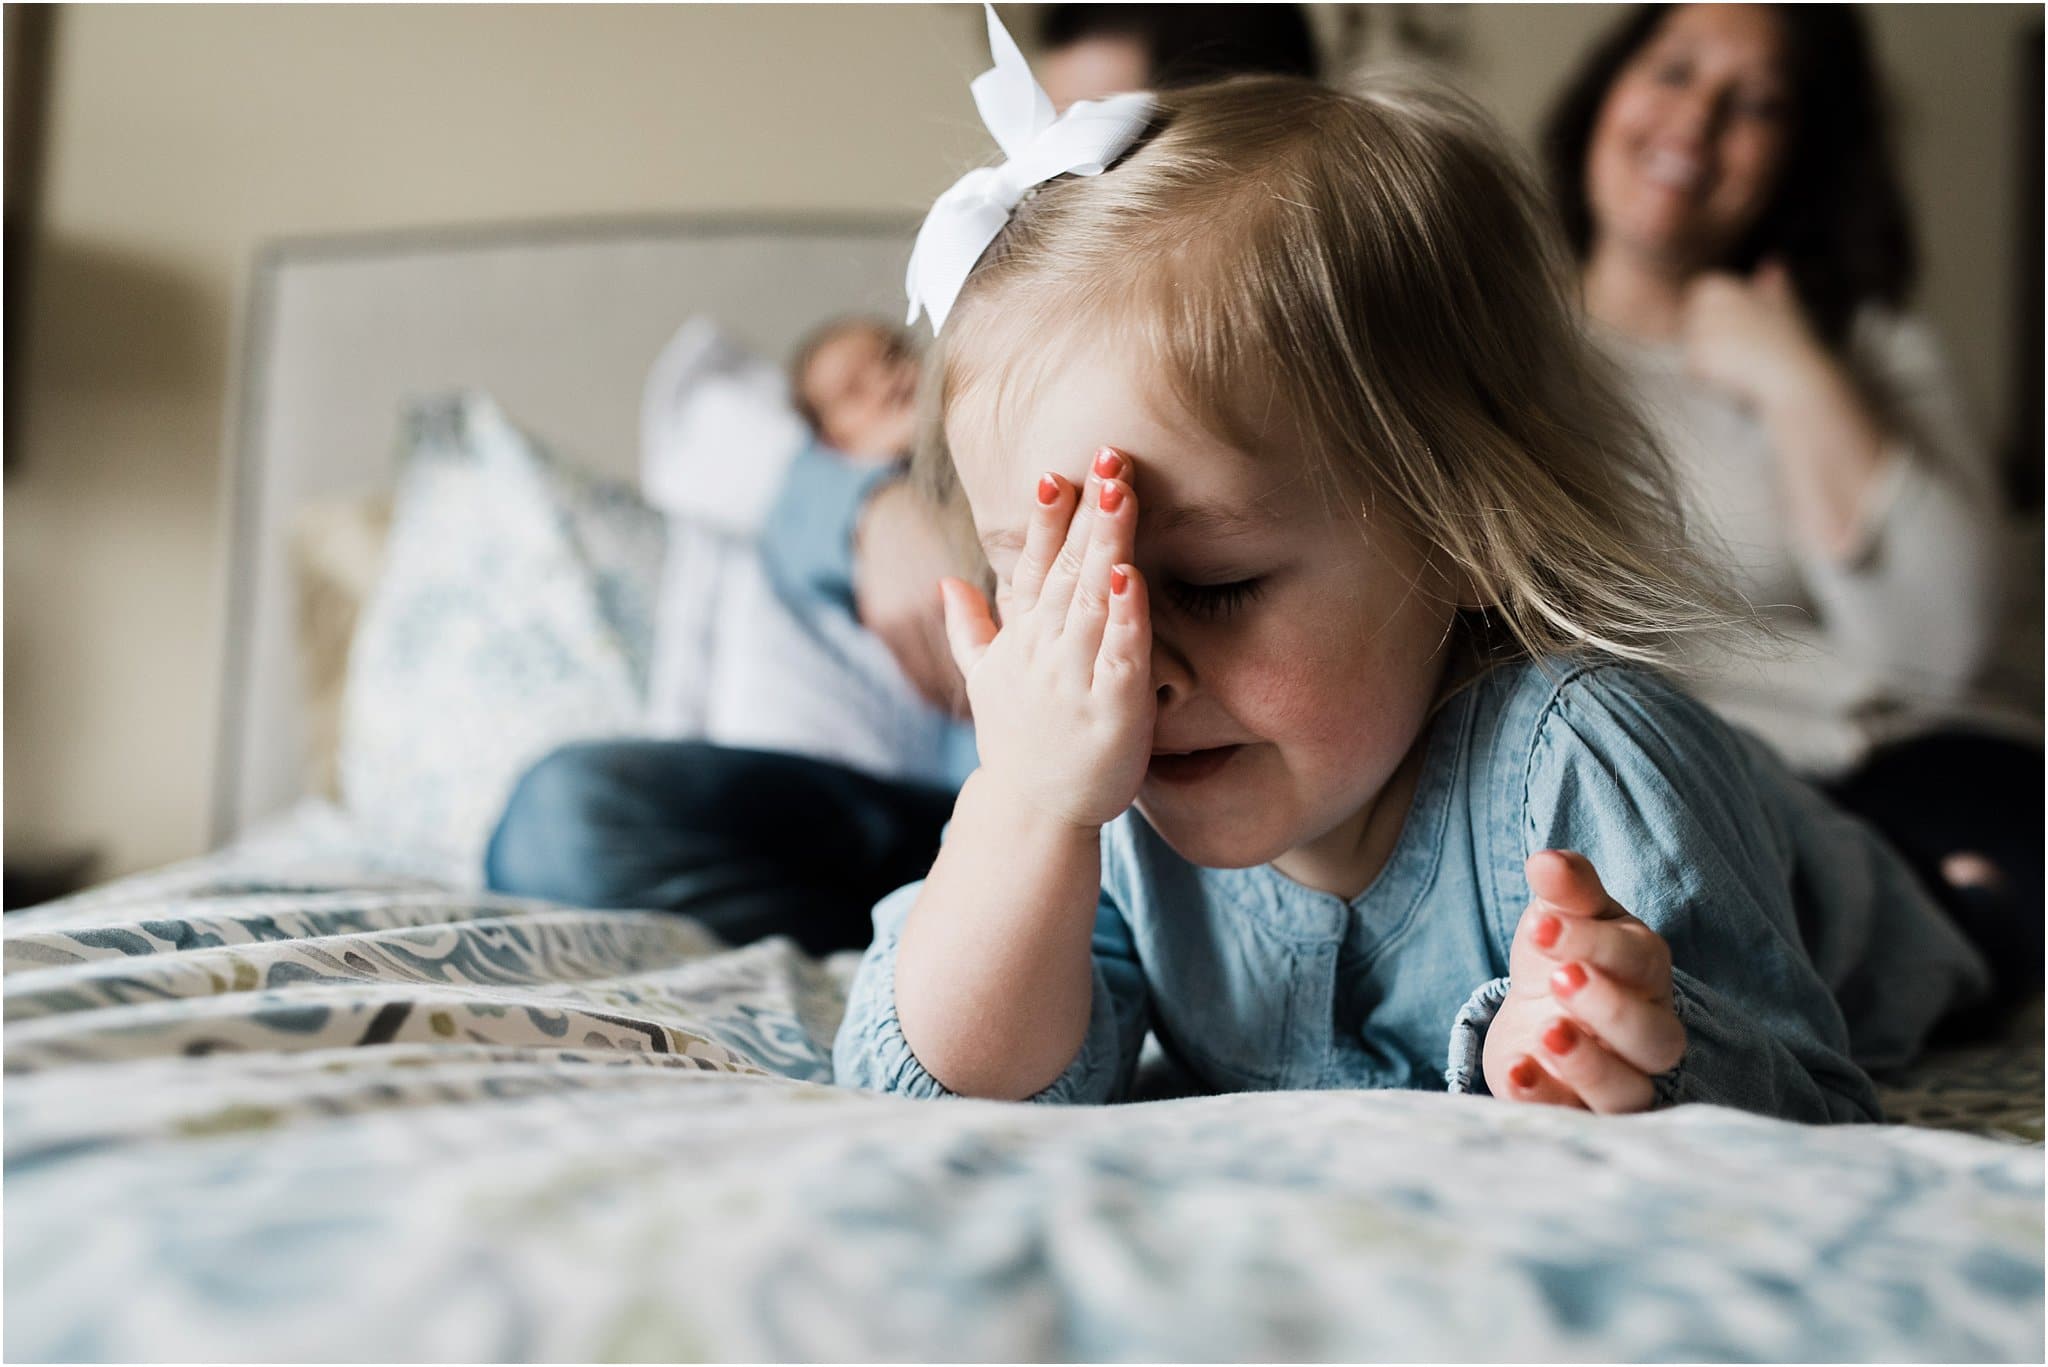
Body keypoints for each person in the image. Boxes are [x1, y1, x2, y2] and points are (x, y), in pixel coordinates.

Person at [832, 10, 1991, 1122]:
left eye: (1215, 583)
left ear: (1466, 533)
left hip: (1894, 880)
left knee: (1983, 897)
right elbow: (940, 1088)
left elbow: (1806, 1089)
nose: (1121, 666)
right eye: (1052, 588)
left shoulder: (1584, 766)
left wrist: (1620, 1046)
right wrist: (1025, 806)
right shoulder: (1096, 788)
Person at [486, 7, 1329, 953]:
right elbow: (705, 417)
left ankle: (995, 951)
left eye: (1102, 143)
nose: (1051, 186)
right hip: (918, 811)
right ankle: (932, 955)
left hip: (1123, 803)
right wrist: (864, 513)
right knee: (571, 819)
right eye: (1037, 139)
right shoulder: (958, 364)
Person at [1541, 3, 2041, 1008]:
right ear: (1606, 91)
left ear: (1799, 153)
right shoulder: (1504, 356)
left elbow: (1936, 643)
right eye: (1672, 70)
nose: (1696, 119)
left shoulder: (1868, 347)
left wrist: (1790, 374)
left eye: (1756, 104)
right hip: (1698, 789)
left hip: (1919, 760)